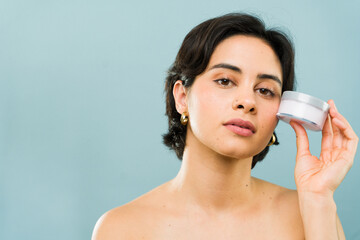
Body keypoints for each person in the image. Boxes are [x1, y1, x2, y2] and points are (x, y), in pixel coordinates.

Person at [92, 13, 358, 239]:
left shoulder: (311, 212)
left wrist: (318, 199)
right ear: (182, 98)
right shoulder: (121, 229)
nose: (247, 101)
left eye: (265, 90)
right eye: (225, 81)